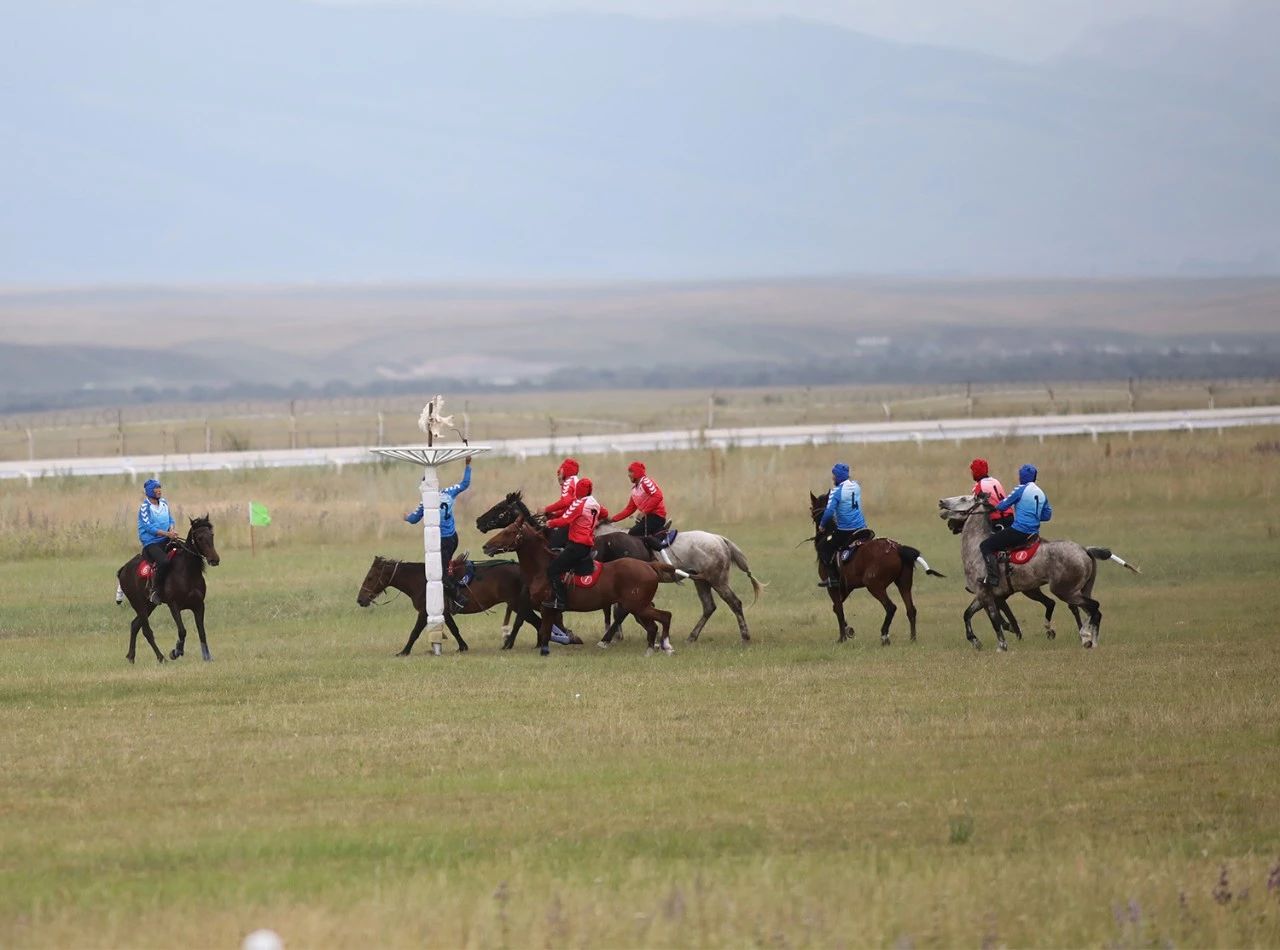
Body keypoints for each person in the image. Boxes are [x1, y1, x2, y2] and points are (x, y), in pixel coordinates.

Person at [406, 456, 471, 596]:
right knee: (446, 565)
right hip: (454, 537)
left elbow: (413, 519)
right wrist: (467, 465)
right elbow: (465, 483)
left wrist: (404, 517)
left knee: (440, 574)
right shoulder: (449, 492)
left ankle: (459, 598)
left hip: (442, 541)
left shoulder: (426, 503)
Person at [980, 463, 1053, 587]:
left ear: (1021, 477)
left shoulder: (1020, 489)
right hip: (1034, 534)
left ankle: (993, 578)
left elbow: (1002, 506)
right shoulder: (1041, 493)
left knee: (986, 545)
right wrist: (1032, 516)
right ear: (1035, 477)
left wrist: (993, 504)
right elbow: (1047, 516)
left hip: (1019, 532)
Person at [543, 477, 609, 610]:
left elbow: (564, 520)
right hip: (588, 545)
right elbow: (605, 513)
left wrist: (550, 523)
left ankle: (560, 601)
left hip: (576, 546)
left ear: (579, 490)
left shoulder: (579, 504)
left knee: (552, 570)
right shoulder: (594, 503)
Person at [817, 462, 867, 588]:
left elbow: (829, 512)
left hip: (846, 531)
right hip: (862, 528)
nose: (832, 478)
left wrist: (822, 525)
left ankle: (833, 578)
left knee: (824, 547)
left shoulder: (836, 492)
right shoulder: (856, 486)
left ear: (838, 477)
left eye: (834, 475)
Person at [137, 478, 180, 604]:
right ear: (150, 491)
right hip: (151, 542)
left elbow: (170, 519)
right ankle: (154, 590)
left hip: (166, 538)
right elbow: (148, 527)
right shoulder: (145, 507)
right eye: (156, 488)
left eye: (160, 487)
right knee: (164, 561)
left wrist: (172, 530)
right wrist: (168, 533)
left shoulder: (164, 503)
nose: (159, 490)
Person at [604, 461, 667, 537]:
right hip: (647, 518)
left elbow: (658, 496)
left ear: (638, 472)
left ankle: (659, 543)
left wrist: (644, 512)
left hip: (657, 517)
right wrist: (612, 519)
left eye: (631, 472)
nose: (628, 475)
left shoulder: (646, 482)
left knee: (633, 533)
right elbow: (629, 509)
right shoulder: (635, 490)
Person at [543, 457, 581, 550]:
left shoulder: (568, 482)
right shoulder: (575, 480)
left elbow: (565, 502)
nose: (558, 474)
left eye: (560, 471)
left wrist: (546, 509)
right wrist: (555, 514)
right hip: (579, 517)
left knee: (552, 546)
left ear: (565, 471)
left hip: (574, 522)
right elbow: (570, 506)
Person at [970, 458, 1013, 529]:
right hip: (1010, 518)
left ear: (975, 472)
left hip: (997, 521)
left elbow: (974, 508)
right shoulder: (995, 481)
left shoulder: (979, 486)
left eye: (972, 471)